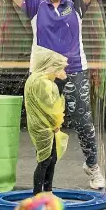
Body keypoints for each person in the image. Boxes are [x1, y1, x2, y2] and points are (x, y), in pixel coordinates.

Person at [4, 0, 105, 189]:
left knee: (83, 121)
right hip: (43, 76)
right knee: (46, 125)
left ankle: (92, 166)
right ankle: (46, 182)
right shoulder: (36, 6)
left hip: (74, 70)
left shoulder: (76, 4)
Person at [24, 46, 69, 195]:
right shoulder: (43, 83)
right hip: (45, 127)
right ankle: (39, 194)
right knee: (45, 160)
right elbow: (50, 107)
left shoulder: (35, 79)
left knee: (50, 159)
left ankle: (46, 192)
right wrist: (56, 124)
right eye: (61, 68)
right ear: (52, 67)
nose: (64, 72)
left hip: (41, 125)